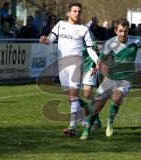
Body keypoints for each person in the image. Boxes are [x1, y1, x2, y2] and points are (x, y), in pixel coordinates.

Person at [80, 17, 141, 140]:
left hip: (126, 78)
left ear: (128, 30)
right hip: (110, 78)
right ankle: (87, 129)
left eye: (125, 31)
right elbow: (102, 58)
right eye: (120, 31)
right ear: (116, 30)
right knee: (98, 104)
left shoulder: (136, 41)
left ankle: (110, 121)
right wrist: (98, 67)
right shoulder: (110, 43)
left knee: (117, 95)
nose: (123, 34)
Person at [39, 2, 99, 136]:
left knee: (73, 95)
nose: (77, 13)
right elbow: (50, 39)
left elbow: (90, 49)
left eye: (79, 11)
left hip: (76, 64)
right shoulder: (60, 25)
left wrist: (97, 61)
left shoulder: (84, 29)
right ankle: (84, 123)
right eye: (74, 11)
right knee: (71, 97)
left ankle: (72, 127)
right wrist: (44, 40)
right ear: (68, 13)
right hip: (62, 65)